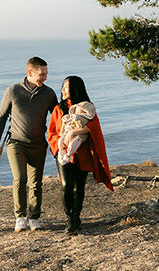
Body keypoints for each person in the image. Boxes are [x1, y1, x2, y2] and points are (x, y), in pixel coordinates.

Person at [0, 56, 58, 232]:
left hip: (38, 144)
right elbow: (1, 116)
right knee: (20, 179)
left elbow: (58, 116)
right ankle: (20, 217)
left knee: (36, 183)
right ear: (30, 73)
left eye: (46, 74)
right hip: (16, 143)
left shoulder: (49, 94)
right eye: (41, 74)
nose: (44, 78)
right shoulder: (13, 91)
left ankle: (34, 217)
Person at [48, 76, 113, 233]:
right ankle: (69, 218)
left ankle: (77, 217)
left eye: (66, 87)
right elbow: (51, 132)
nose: (63, 90)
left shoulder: (87, 109)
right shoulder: (58, 109)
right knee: (66, 184)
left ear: (76, 89)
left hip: (82, 151)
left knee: (79, 187)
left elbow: (95, 128)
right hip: (63, 152)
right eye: (62, 87)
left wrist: (75, 131)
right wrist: (61, 141)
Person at [57, 101, 96, 165]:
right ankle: (61, 152)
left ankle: (68, 154)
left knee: (73, 144)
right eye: (76, 110)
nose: (76, 112)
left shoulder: (84, 117)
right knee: (60, 141)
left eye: (79, 111)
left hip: (78, 139)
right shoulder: (59, 108)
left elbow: (90, 127)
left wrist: (72, 132)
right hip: (66, 136)